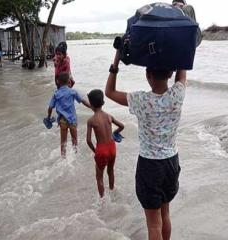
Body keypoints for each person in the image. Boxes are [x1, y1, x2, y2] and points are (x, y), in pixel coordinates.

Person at [105, 50, 186, 240]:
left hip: (150, 165)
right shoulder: (177, 94)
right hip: (171, 163)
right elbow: (183, 68)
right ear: (170, 74)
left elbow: (109, 92)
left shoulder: (141, 100)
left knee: (153, 225)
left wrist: (117, 58)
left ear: (147, 75)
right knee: (165, 215)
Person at [86, 89, 124, 198]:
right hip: (112, 147)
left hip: (101, 150)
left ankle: (102, 200)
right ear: (102, 102)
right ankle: (112, 191)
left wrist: (95, 151)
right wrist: (113, 133)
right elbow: (122, 126)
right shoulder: (109, 116)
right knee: (111, 171)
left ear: (91, 104)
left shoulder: (91, 120)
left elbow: (88, 141)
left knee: (99, 177)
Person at [47, 72, 91, 158]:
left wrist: (48, 117)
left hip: (62, 121)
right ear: (68, 81)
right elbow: (83, 101)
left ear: (58, 82)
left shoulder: (56, 94)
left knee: (63, 142)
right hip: (72, 120)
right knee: (74, 140)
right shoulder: (72, 92)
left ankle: (63, 157)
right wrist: (93, 108)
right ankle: (75, 156)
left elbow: (50, 107)